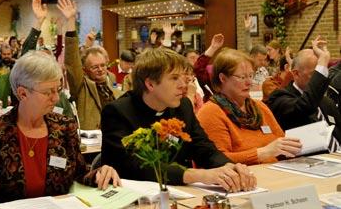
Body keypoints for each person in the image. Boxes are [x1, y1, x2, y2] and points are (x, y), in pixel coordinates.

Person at [0, 51, 121, 206]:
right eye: (48, 92)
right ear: (23, 93)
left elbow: (80, 174)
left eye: (57, 89)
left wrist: (99, 174)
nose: (56, 98)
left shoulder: (64, 127)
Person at [101, 47, 256, 192]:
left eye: (183, 78)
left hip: (182, 192)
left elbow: (204, 148)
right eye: (174, 78)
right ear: (150, 84)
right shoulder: (117, 112)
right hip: (136, 196)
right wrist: (199, 175)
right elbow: (134, 166)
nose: (183, 85)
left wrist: (230, 168)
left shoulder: (183, 106)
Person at [197, 48, 302, 165]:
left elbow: (281, 142)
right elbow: (216, 160)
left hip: (277, 173)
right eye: (242, 77)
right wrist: (262, 153)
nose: (249, 82)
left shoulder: (259, 107)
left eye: (251, 76)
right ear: (223, 78)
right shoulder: (211, 113)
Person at [266, 37, 341, 148]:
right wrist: (322, 64)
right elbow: (305, 106)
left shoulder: (326, 102)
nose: (318, 80)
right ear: (296, 74)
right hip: (306, 161)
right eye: (314, 74)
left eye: (318, 74)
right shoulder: (280, 97)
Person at [60, 0, 121, 129]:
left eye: (103, 65)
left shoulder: (111, 79)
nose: (100, 69)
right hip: (93, 138)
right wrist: (71, 21)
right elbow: (72, 61)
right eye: (94, 67)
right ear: (85, 70)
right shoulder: (81, 85)